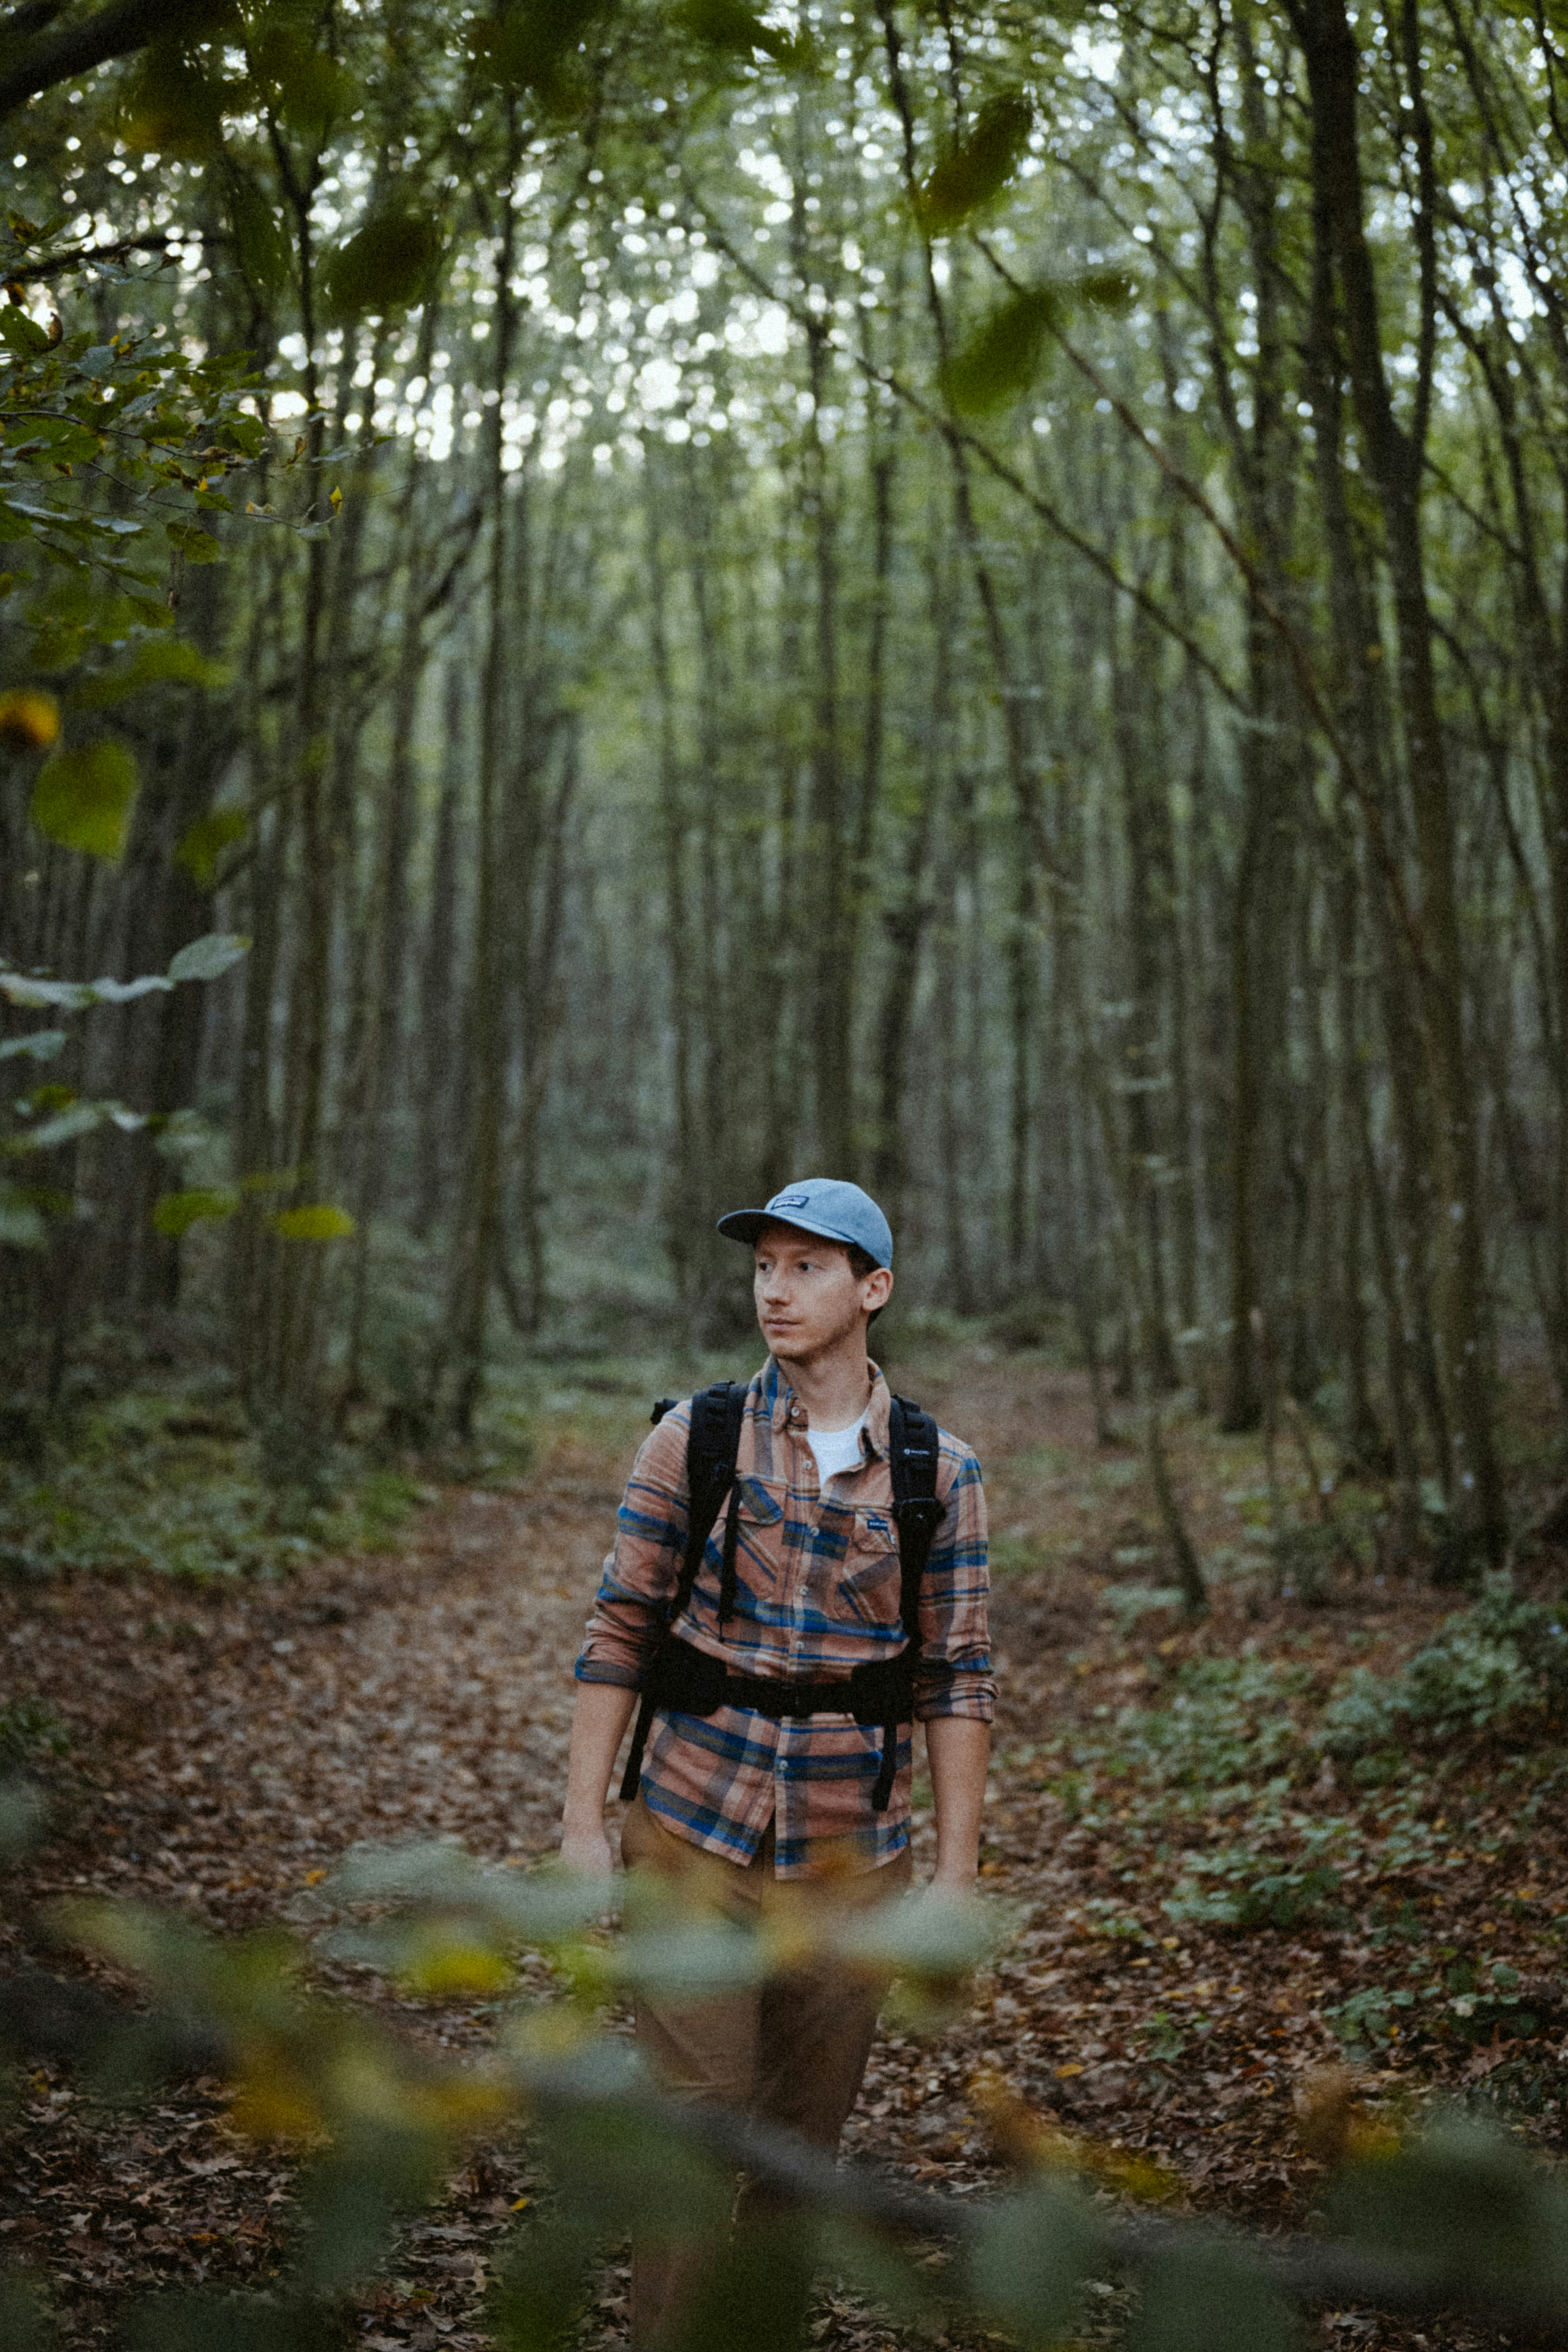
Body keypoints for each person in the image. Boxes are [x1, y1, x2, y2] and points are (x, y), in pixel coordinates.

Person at [558, 1177, 993, 2347]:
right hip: (692, 1829)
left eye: (808, 1266)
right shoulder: (691, 1437)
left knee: (799, 2161)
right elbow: (618, 1632)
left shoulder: (936, 1472)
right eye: (764, 1265)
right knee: (695, 2143)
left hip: (851, 1864)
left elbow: (957, 1675)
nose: (776, 1288)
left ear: (873, 1289)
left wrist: (953, 1878)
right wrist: (584, 1825)